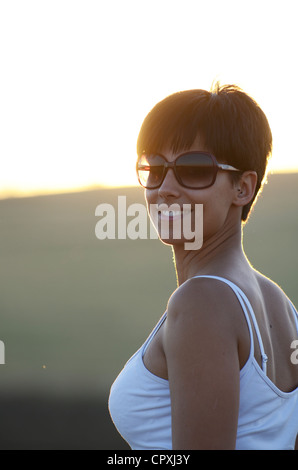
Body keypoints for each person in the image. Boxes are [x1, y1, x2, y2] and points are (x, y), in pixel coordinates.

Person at [108, 83, 298, 450]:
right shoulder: (279, 303)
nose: (165, 188)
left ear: (242, 188)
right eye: (154, 168)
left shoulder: (202, 302)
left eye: (194, 170)